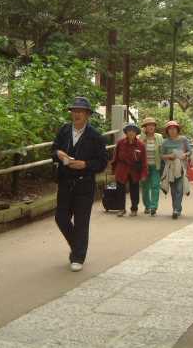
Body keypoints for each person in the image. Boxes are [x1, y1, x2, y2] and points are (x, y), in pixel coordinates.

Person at [52, 97, 108, 272]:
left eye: (80, 112)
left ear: (87, 115)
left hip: (85, 184)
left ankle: (78, 256)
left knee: (81, 222)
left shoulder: (95, 136)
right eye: (74, 111)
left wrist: (85, 164)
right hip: (65, 182)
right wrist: (59, 154)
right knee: (61, 218)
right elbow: (53, 149)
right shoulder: (64, 130)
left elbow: (102, 162)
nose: (76, 114)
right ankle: (77, 247)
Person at [113, 123, 148, 217]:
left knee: (134, 190)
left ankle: (134, 209)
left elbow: (144, 161)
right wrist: (114, 170)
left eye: (133, 131)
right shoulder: (120, 143)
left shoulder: (141, 145)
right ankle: (121, 209)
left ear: (136, 133)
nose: (131, 132)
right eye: (129, 131)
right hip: (122, 169)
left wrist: (144, 174)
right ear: (126, 132)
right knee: (120, 190)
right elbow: (115, 157)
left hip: (134, 170)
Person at [161, 121, 191, 219]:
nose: (172, 130)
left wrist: (184, 154)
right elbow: (162, 155)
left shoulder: (183, 139)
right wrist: (169, 156)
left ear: (177, 129)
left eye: (174, 128)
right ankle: (176, 208)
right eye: (170, 129)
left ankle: (176, 209)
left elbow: (190, 151)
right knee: (173, 190)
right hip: (170, 168)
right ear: (167, 131)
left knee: (179, 188)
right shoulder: (165, 142)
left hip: (181, 166)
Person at [139, 118, 164, 216]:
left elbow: (162, 150)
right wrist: (142, 136)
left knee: (155, 186)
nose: (151, 127)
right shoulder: (140, 138)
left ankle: (153, 207)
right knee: (145, 187)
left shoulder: (159, 137)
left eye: (153, 125)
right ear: (144, 127)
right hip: (144, 167)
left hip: (155, 165)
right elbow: (138, 150)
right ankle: (147, 206)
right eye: (148, 125)